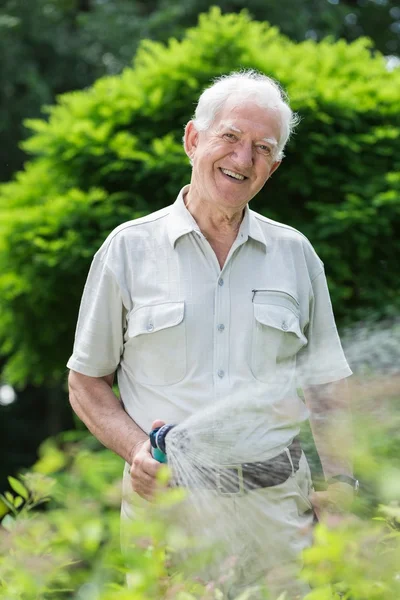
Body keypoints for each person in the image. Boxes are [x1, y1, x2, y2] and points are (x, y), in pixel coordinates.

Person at [67, 70, 357, 596]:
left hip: (277, 520)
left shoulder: (297, 255)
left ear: (275, 165)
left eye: (262, 148)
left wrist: (340, 495)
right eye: (230, 137)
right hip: (169, 515)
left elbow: (326, 389)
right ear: (193, 139)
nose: (243, 159)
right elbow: (86, 382)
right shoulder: (128, 250)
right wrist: (136, 449)